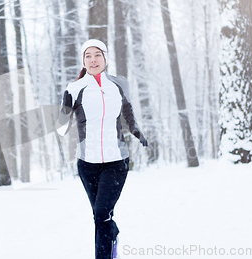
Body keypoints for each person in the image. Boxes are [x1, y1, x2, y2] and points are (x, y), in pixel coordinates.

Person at [57, 39, 148, 259]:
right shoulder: (75, 88)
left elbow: (128, 111)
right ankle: (112, 236)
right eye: (87, 55)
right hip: (87, 164)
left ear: (105, 57)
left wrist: (137, 132)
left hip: (116, 161)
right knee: (101, 216)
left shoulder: (118, 84)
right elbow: (61, 127)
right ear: (83, 61)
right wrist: (64, 108)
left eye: (97, 54)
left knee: (101, 214)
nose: (93, 59)